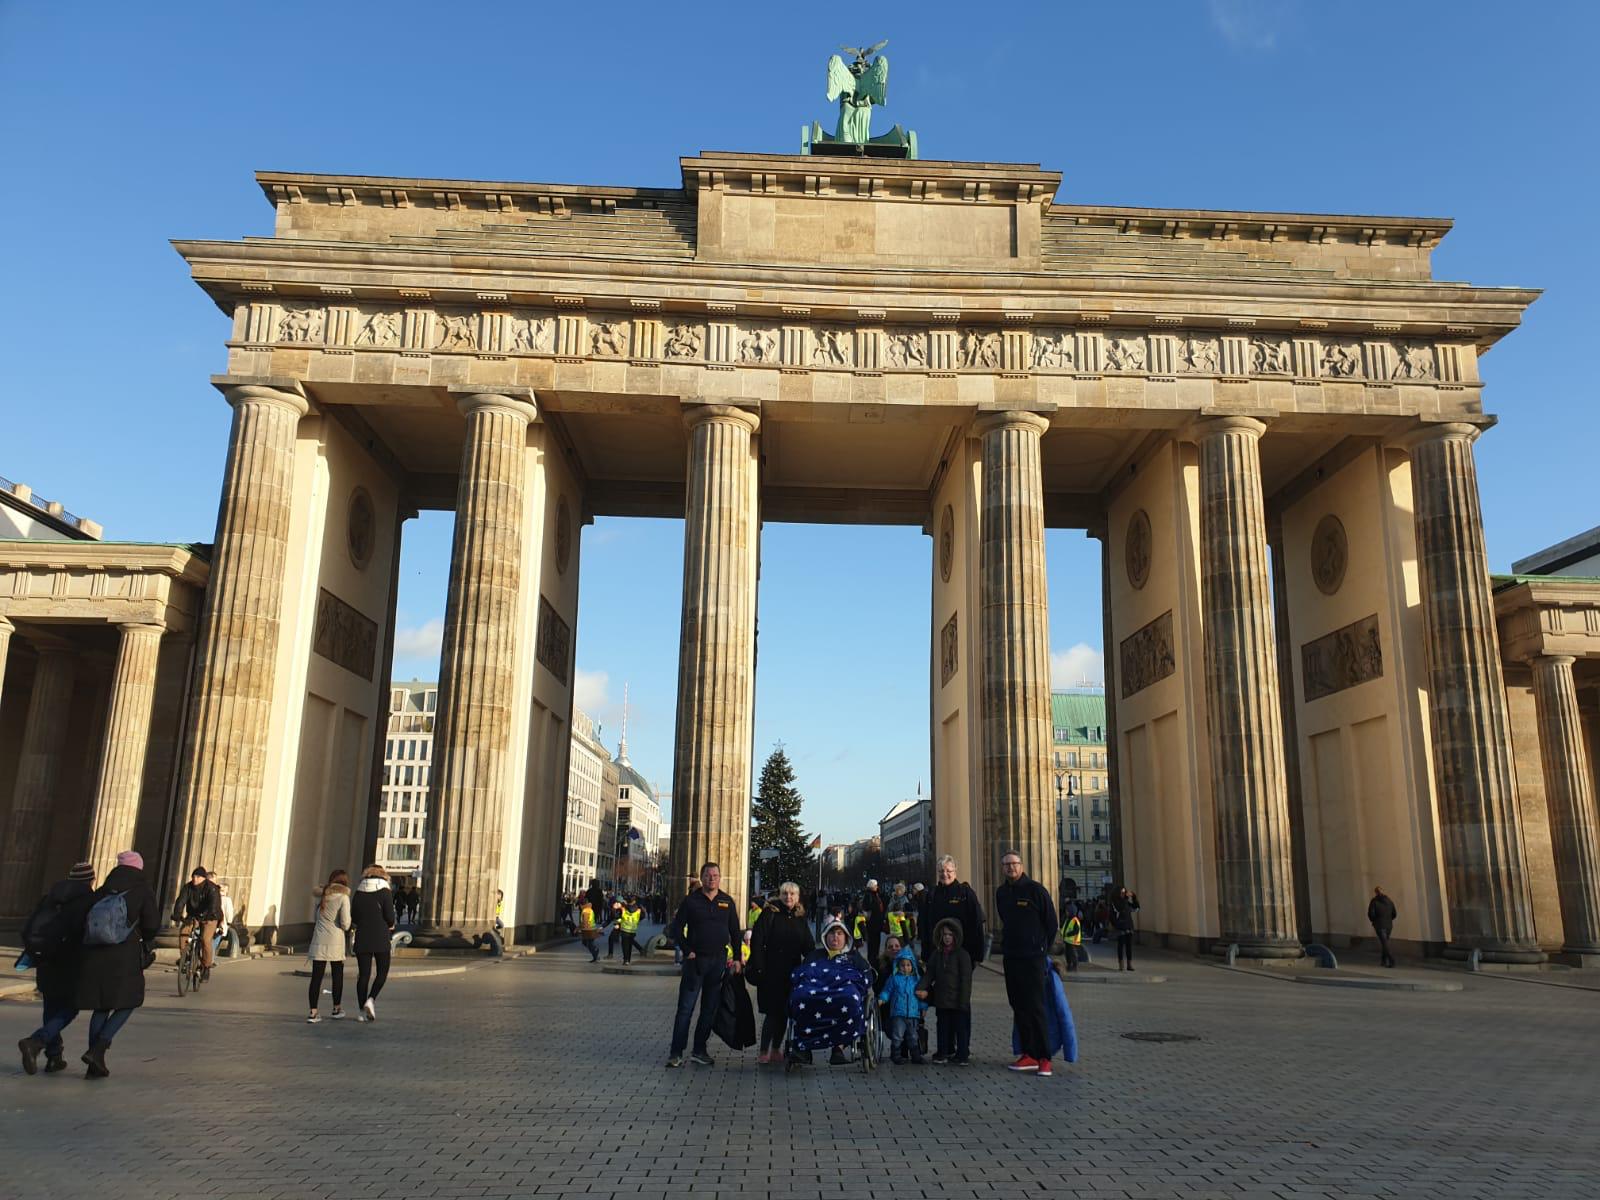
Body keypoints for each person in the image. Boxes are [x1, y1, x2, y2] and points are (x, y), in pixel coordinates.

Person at [75, 850, 160, 1078]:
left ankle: (95, 1062)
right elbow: (153, 923)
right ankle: (98, 1048)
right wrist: (146, 937)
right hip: (125, 953)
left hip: (96, 952)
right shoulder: (142, 890)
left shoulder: (103, 889)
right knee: (129, 1001)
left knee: (101, 1005)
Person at [17, 860, 97, 1076]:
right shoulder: (89, 901)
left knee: (51, 1006)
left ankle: (54, 1057)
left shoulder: (50, 897)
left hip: (44, 959)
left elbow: (29, 926)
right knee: (71, 1006)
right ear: (91, 880)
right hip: (71, 961)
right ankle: (36, 1041)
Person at [664, 862, 742, 1068]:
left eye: (715, 875)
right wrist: (687, 949)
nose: (712, 879)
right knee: (685, 1009)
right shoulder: (691, 901)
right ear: (702, 878)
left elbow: (735, 931)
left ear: (720, 878)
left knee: (709, 1010)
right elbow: (676, 929)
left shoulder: (726, 901)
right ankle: (676, 1052)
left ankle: (699, 1049)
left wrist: (737, 958)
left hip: (718, 962)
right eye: (708, 876)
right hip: (695, 962)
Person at [996, 850, 1057, 1077]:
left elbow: (1051, 923)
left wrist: (1041, 949)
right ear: (1002, 868)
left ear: (1021, 866)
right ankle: (1028, 1053)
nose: (1010, 868)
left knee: (1036, 1007)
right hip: (1011, 957)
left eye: (1013, 863)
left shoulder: (1035, 890)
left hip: (1033, 958)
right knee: (1018, 1006)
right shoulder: (1002, 893)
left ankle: (1044, 1057)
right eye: (1006, 864)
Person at [746, 881, 814, 1065]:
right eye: (785, 893)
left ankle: (776, 1049)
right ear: (780, 895)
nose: (788, 897)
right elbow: (758, 940)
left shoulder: (800, 917)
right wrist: (759, 966)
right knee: (772, 1012)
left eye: (792, 894)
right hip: (771, 971)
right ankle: (763, 1050)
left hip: (792, 972)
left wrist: (816, 961)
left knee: (785, 1012)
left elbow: (808, 944)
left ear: (798, 897)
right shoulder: (770, 913)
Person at [918, 917, 973, 1065]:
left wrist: (964, 1001)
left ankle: (962, 1054)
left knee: (961, 1029)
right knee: (942, 1028)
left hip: (958, 1000)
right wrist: (920, 987)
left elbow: (966, 981)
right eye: (944, 935)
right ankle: (942, 1052)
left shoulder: (962, 955)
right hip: (942, 1000)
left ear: (955, 935)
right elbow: (930, 974)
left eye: (950, 934)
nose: (947, 938)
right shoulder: (937, 954)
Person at [921, 855, 986, 970]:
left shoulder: (965, 893)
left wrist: (977, 955)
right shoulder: (931, 895)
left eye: (948, 870)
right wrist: (925, 954)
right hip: (937, 953)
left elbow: (977, 924)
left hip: (962, 953)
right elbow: (924, 925)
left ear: (955, 872)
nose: (944, 874)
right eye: (941, 871)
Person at [350, 864, 396, 1021]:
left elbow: (353, 916)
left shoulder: (359, 891)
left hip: (363, 936)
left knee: (363, 975)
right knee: (382, 972)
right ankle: (371, 999)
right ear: (383, 875)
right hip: (380, 936)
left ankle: (361, 1010)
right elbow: (390, 915)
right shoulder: (385, 890)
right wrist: (389, 923)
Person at [307, 869, 352, 1022]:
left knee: (316, 977)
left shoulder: (321, 896)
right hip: (335, 942)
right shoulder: (343, 898)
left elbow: (315, 917)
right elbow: (345, 924)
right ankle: (336, 1008)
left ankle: (313, 1012)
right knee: (337, 976)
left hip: (319, 940)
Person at [171, 865, 222, 981]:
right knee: (184, 932)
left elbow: (214, 905)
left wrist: (207, 915)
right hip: (194, 915)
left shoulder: (212, 888)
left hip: (210, 916)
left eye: (198, 876)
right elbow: (180, 901)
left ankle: (206, 966)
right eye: (193, 876)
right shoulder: (188, 887)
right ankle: (186, 957)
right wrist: (177, 915)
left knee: (205, 939)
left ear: (204, 878)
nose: (194, 878)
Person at [879, 945, 928, 1065]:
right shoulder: (894, 979)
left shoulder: (916, 980)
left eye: (908, 965)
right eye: (903, 965)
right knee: (898, 1035)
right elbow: (887, 990)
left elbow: (920, 995)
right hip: (898, 1012)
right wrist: (882, 999)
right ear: (898, 966)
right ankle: (895, 1054)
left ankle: (916, 1055)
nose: (906, 968)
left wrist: (923, 1007)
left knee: (913, 1035)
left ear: (912, 966)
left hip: (913, 1013)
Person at [1368, 886, 1398, 968]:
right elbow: (1394, 913)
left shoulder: (1374, 901)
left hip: (1379, 925)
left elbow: (1371, 914)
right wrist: (1389, 919)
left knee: (1385, 943)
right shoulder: (1389, 901)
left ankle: (1392, 960)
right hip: (1389, 925)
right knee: (1385, 943)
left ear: (1376, 892)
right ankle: (1383, 961)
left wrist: (1374, 921)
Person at [1112, 886, 1140, 971]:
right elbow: (1119, 909)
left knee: (1129, 946)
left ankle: (1129, 964)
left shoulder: (1127, 902)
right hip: (1121, 926)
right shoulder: (1116, 902)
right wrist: (1115, 925)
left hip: (1129, 926)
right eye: (1122, 893)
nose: (1124, 894)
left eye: (1124, 892)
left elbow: (1136, 908)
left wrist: (1134, 897)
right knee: (1120, 945)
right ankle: (1121, 964)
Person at [859, 879, 887, 961]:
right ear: (872, 886)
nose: (877, 887)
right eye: (875, 885)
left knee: (875, 943)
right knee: (873, 944)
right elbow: (867, 907)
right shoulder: (869, 895)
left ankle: (874, 959)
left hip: (876, 923)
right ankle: (873, 961)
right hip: (872, 923)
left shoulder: (875, 894)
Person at [617, 894, 644, 965]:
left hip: (624, 930)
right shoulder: (638, 910)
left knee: (625, 945)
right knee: (630, 945)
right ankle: (628, 959)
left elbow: (618, 916)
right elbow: (642, 916)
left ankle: (626, 960)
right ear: (634, 901)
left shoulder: (623, 909)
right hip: (633, 930)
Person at [1059, 908, 1083, 972]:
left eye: (1067, 911)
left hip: (1072, 941)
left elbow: (1076, 930)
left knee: (1072, 953)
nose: (1066, 913)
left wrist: (1067, 934)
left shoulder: (1075, 920)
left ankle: (1074, 966)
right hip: (1067, 940)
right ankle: (1069, 965)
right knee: (1068, 953)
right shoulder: (1068, 919)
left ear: (1071, 912)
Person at [579, 896, 601, 962]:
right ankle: (595, 956)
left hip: (588, 930)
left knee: (587, 943)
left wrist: (580, 929)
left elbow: (585, 921)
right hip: (591, 929)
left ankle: (595, 953)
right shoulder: (590, 909)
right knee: (588, 943)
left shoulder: (585, 911)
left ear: (582, 904)